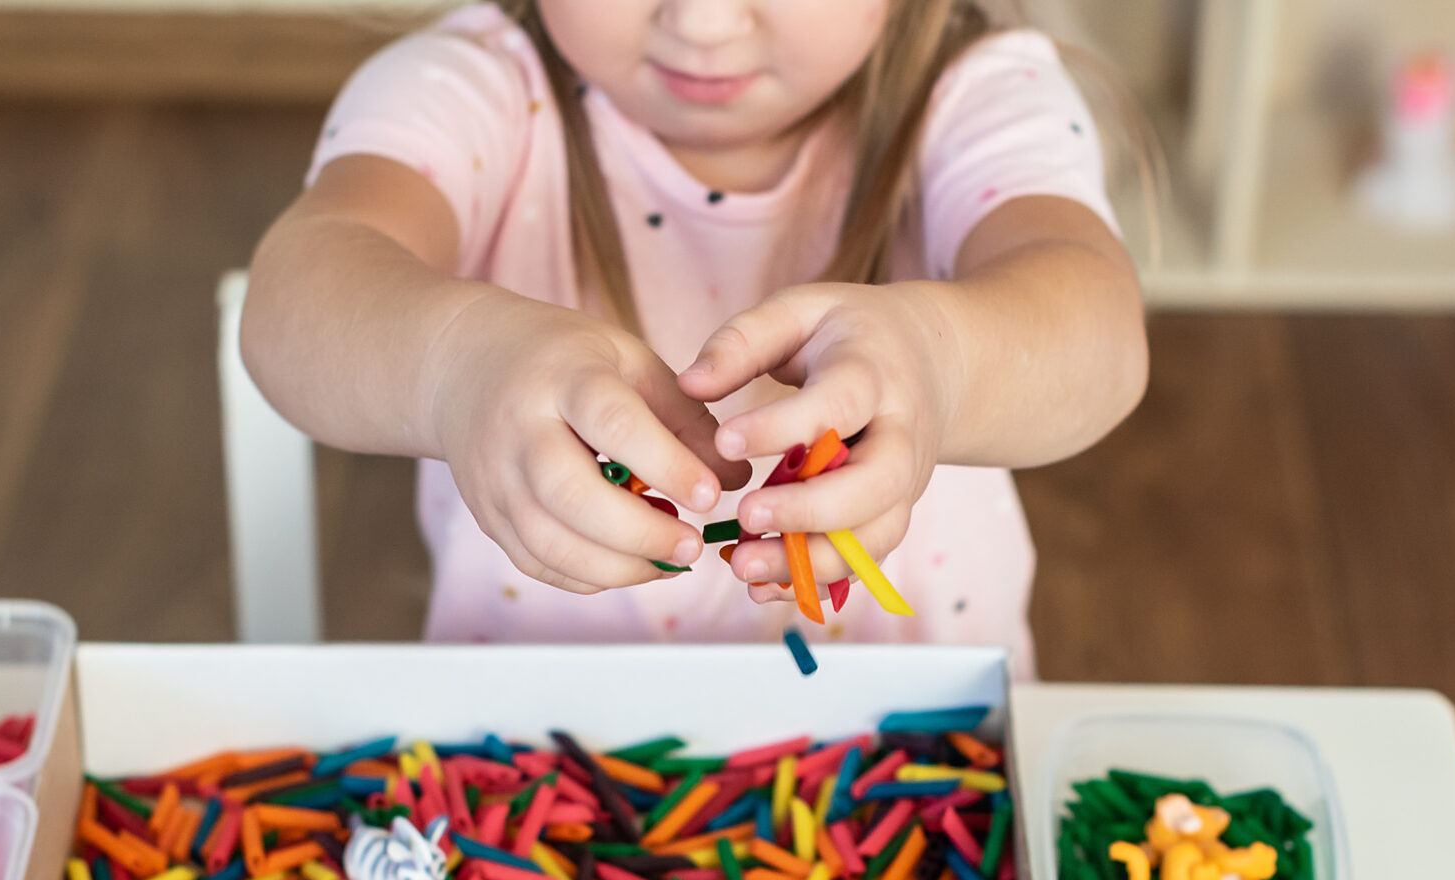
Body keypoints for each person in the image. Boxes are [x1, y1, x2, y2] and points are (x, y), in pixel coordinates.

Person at [243, 0, 1146, 676]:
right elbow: (294, 300)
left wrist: (942, 364)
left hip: (918, 774)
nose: (705, 23)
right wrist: (452, 365)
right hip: (534, 781)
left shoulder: (977, 98)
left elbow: (1098, 331)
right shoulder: (468, 86)